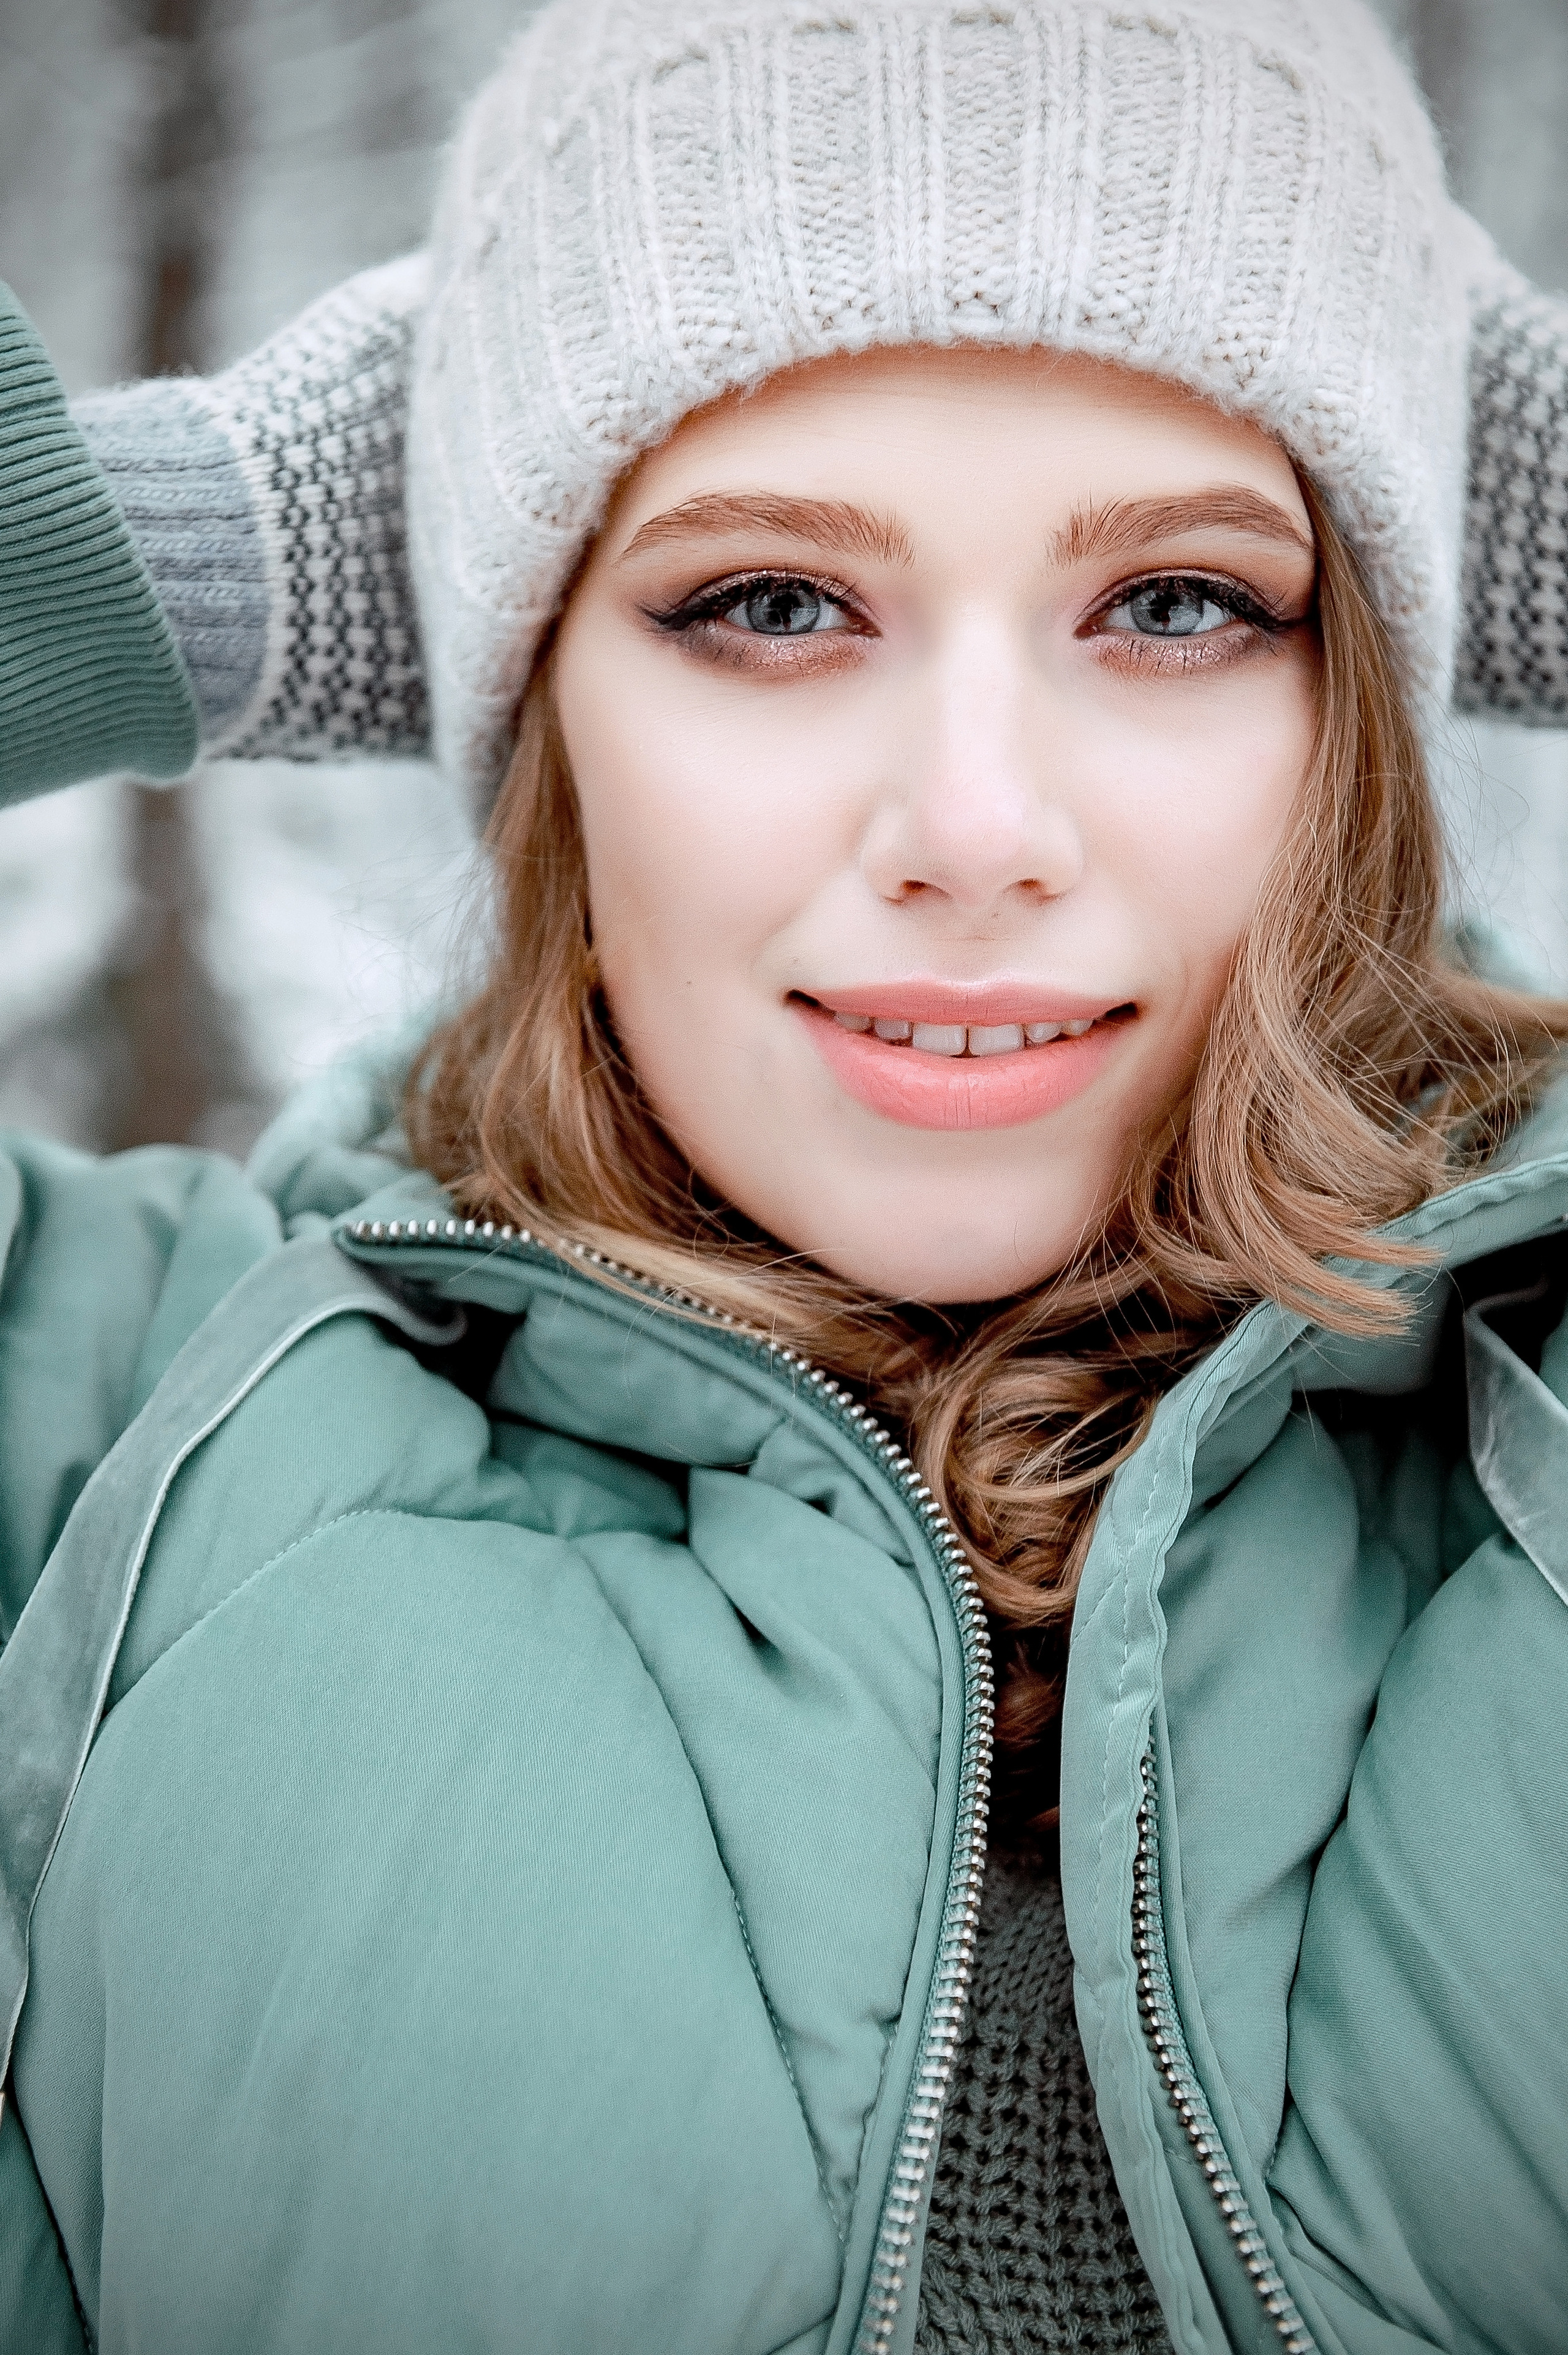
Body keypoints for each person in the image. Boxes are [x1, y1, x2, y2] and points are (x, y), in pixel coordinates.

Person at [4, 2, 1568, 2350]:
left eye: (1179, 606)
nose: (971, 832)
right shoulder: (108, 1430)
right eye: (767, 603)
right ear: (536, 699)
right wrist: (170, 557)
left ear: (1354, 703)